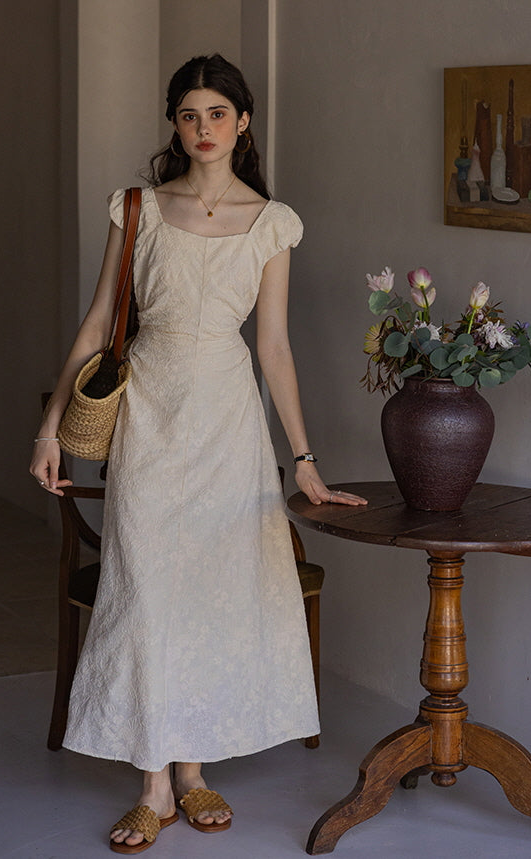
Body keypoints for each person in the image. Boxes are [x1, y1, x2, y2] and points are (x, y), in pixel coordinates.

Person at [30, 54, 366, 854]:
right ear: (174, 123)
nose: (204, 128)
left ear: (243, 122)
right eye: (189, 114)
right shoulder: (139, 207)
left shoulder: (272, 220)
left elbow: (274, 347)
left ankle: (192, 769)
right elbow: (97, 322)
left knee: (210, 593)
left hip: (228, 424)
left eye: (219, 113)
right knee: (146, 590)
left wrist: (306, 455)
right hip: (149, 416)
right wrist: (50, 426)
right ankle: (153, 783)